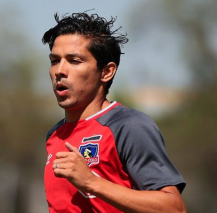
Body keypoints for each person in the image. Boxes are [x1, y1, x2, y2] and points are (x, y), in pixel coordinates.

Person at [42, 12, 186, 213]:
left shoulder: (129, 126)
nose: (60, 70)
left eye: (74, 60)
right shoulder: (54, 135)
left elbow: (174, 208)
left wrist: (92, 183)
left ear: (107, 71)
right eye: (55, 60)